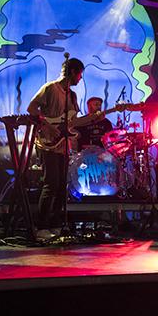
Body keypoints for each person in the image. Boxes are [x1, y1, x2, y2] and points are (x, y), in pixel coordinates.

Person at [28, 58, 101, 237]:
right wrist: (48, 126)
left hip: (63, 145)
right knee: (50, 183)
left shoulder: (73, 96)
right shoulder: (50, 88)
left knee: (61, 186)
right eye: (80, 75)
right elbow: (31, 108)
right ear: (73, 72)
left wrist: (94, 117)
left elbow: (73, 121)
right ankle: (41, 227)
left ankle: (55, 225)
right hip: (47, 142)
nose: (80, 79)